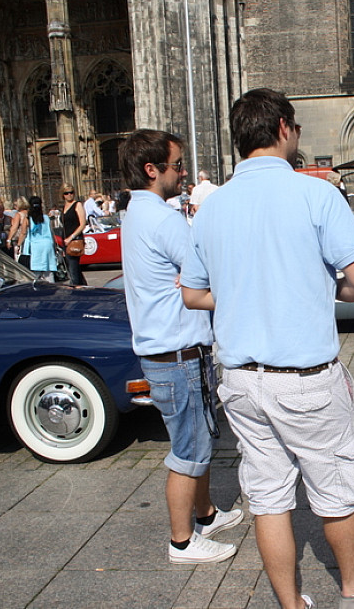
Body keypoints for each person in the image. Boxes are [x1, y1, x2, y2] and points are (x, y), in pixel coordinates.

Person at [180, 88, 354, 609]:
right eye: (296, 127)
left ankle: (291, 603)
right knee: (336, 487)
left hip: (241, 378)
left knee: (269, 496)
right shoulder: (315, 194)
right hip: (303, 378)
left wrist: (245, 295)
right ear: (283, 127)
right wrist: (317, 290)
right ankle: (353, 589)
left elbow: (191, 293)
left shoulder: (211, 207)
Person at [119, 129, 244, 566]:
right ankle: (182, 542)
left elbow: (188, 272)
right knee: (188, 449)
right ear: (151, 170)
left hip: (170, 352)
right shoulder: (162, 219)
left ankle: (205, 514)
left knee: (200, 438)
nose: (184, 172)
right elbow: (205, 269)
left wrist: (186, 276)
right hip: (177, 354)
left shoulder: (138, 212)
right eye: (176, 165)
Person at [16, 196, 57, 280]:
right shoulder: (46, 218)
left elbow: (23, 233)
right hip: (47, 246)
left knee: (35, 273)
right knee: (48, 272)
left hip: (35, 248)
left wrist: (18, 245)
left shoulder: (28, 219)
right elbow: (51, 232)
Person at [60, 183, 88, 286]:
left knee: (73, 269)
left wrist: (71, 237)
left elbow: (82, 224)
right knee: (74, 268)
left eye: (71, 192)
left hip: (74, 240)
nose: (69, 195)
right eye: (66, 193)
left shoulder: (77, 205)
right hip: (65, 241)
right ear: (63, 195)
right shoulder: (63, 207)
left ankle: (75, 287)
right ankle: (84, 287)